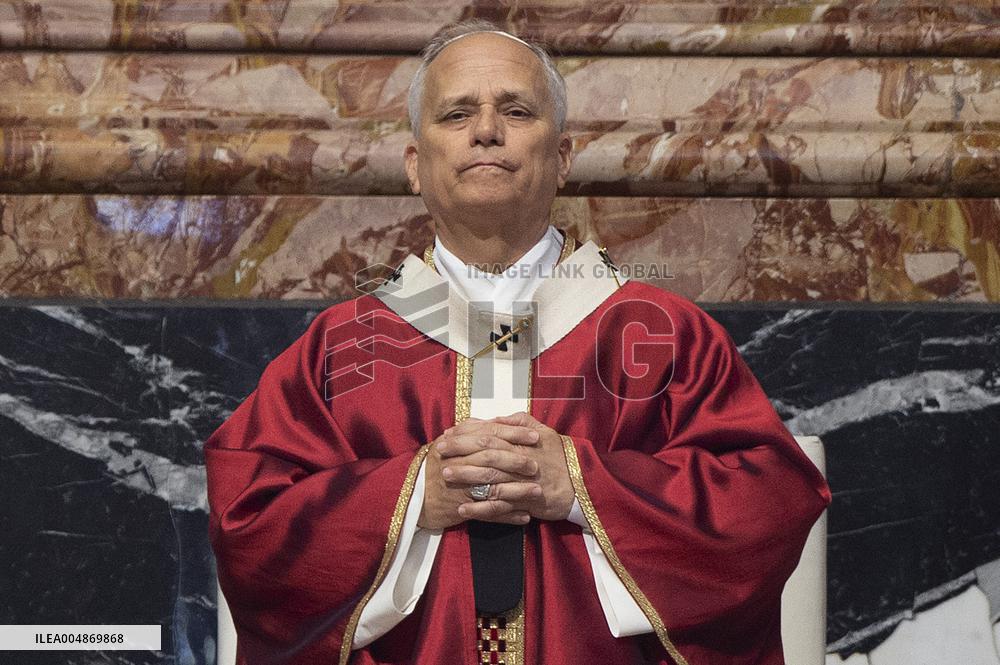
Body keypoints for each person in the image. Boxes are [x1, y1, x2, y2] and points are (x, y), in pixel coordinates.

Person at [204, 20, 831, 665]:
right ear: (414, 166)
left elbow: (767, 502)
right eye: (456, 113)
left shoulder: (661, 334)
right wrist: (416, 495)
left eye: (516, 110)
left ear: (561, 159)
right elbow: (251, 527)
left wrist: (584, 486)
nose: (485, 131)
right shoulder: (342, 348)